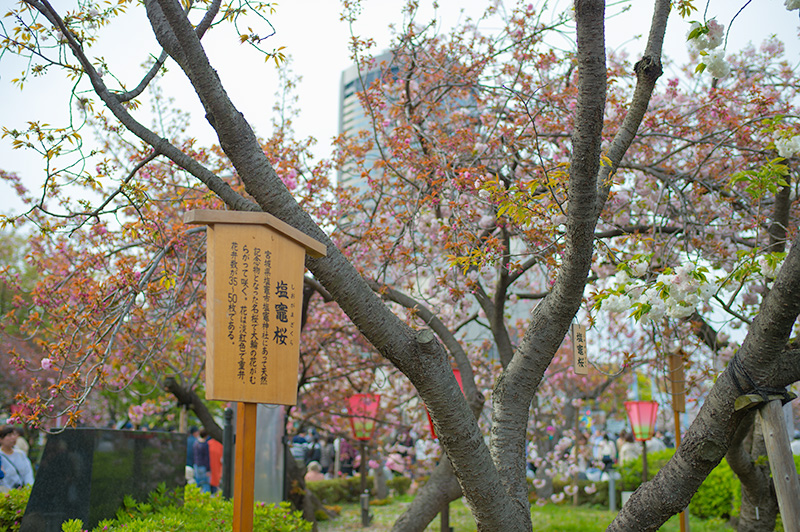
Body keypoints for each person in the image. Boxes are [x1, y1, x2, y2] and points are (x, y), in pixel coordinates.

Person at [0, 425, 34, 491]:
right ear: (1, 439)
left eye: (14, 434)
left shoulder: (20, 454)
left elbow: (28, 473)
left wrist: (29, 488)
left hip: (21, 494)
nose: (13, 437)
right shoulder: (0, 456)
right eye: (9, 435)